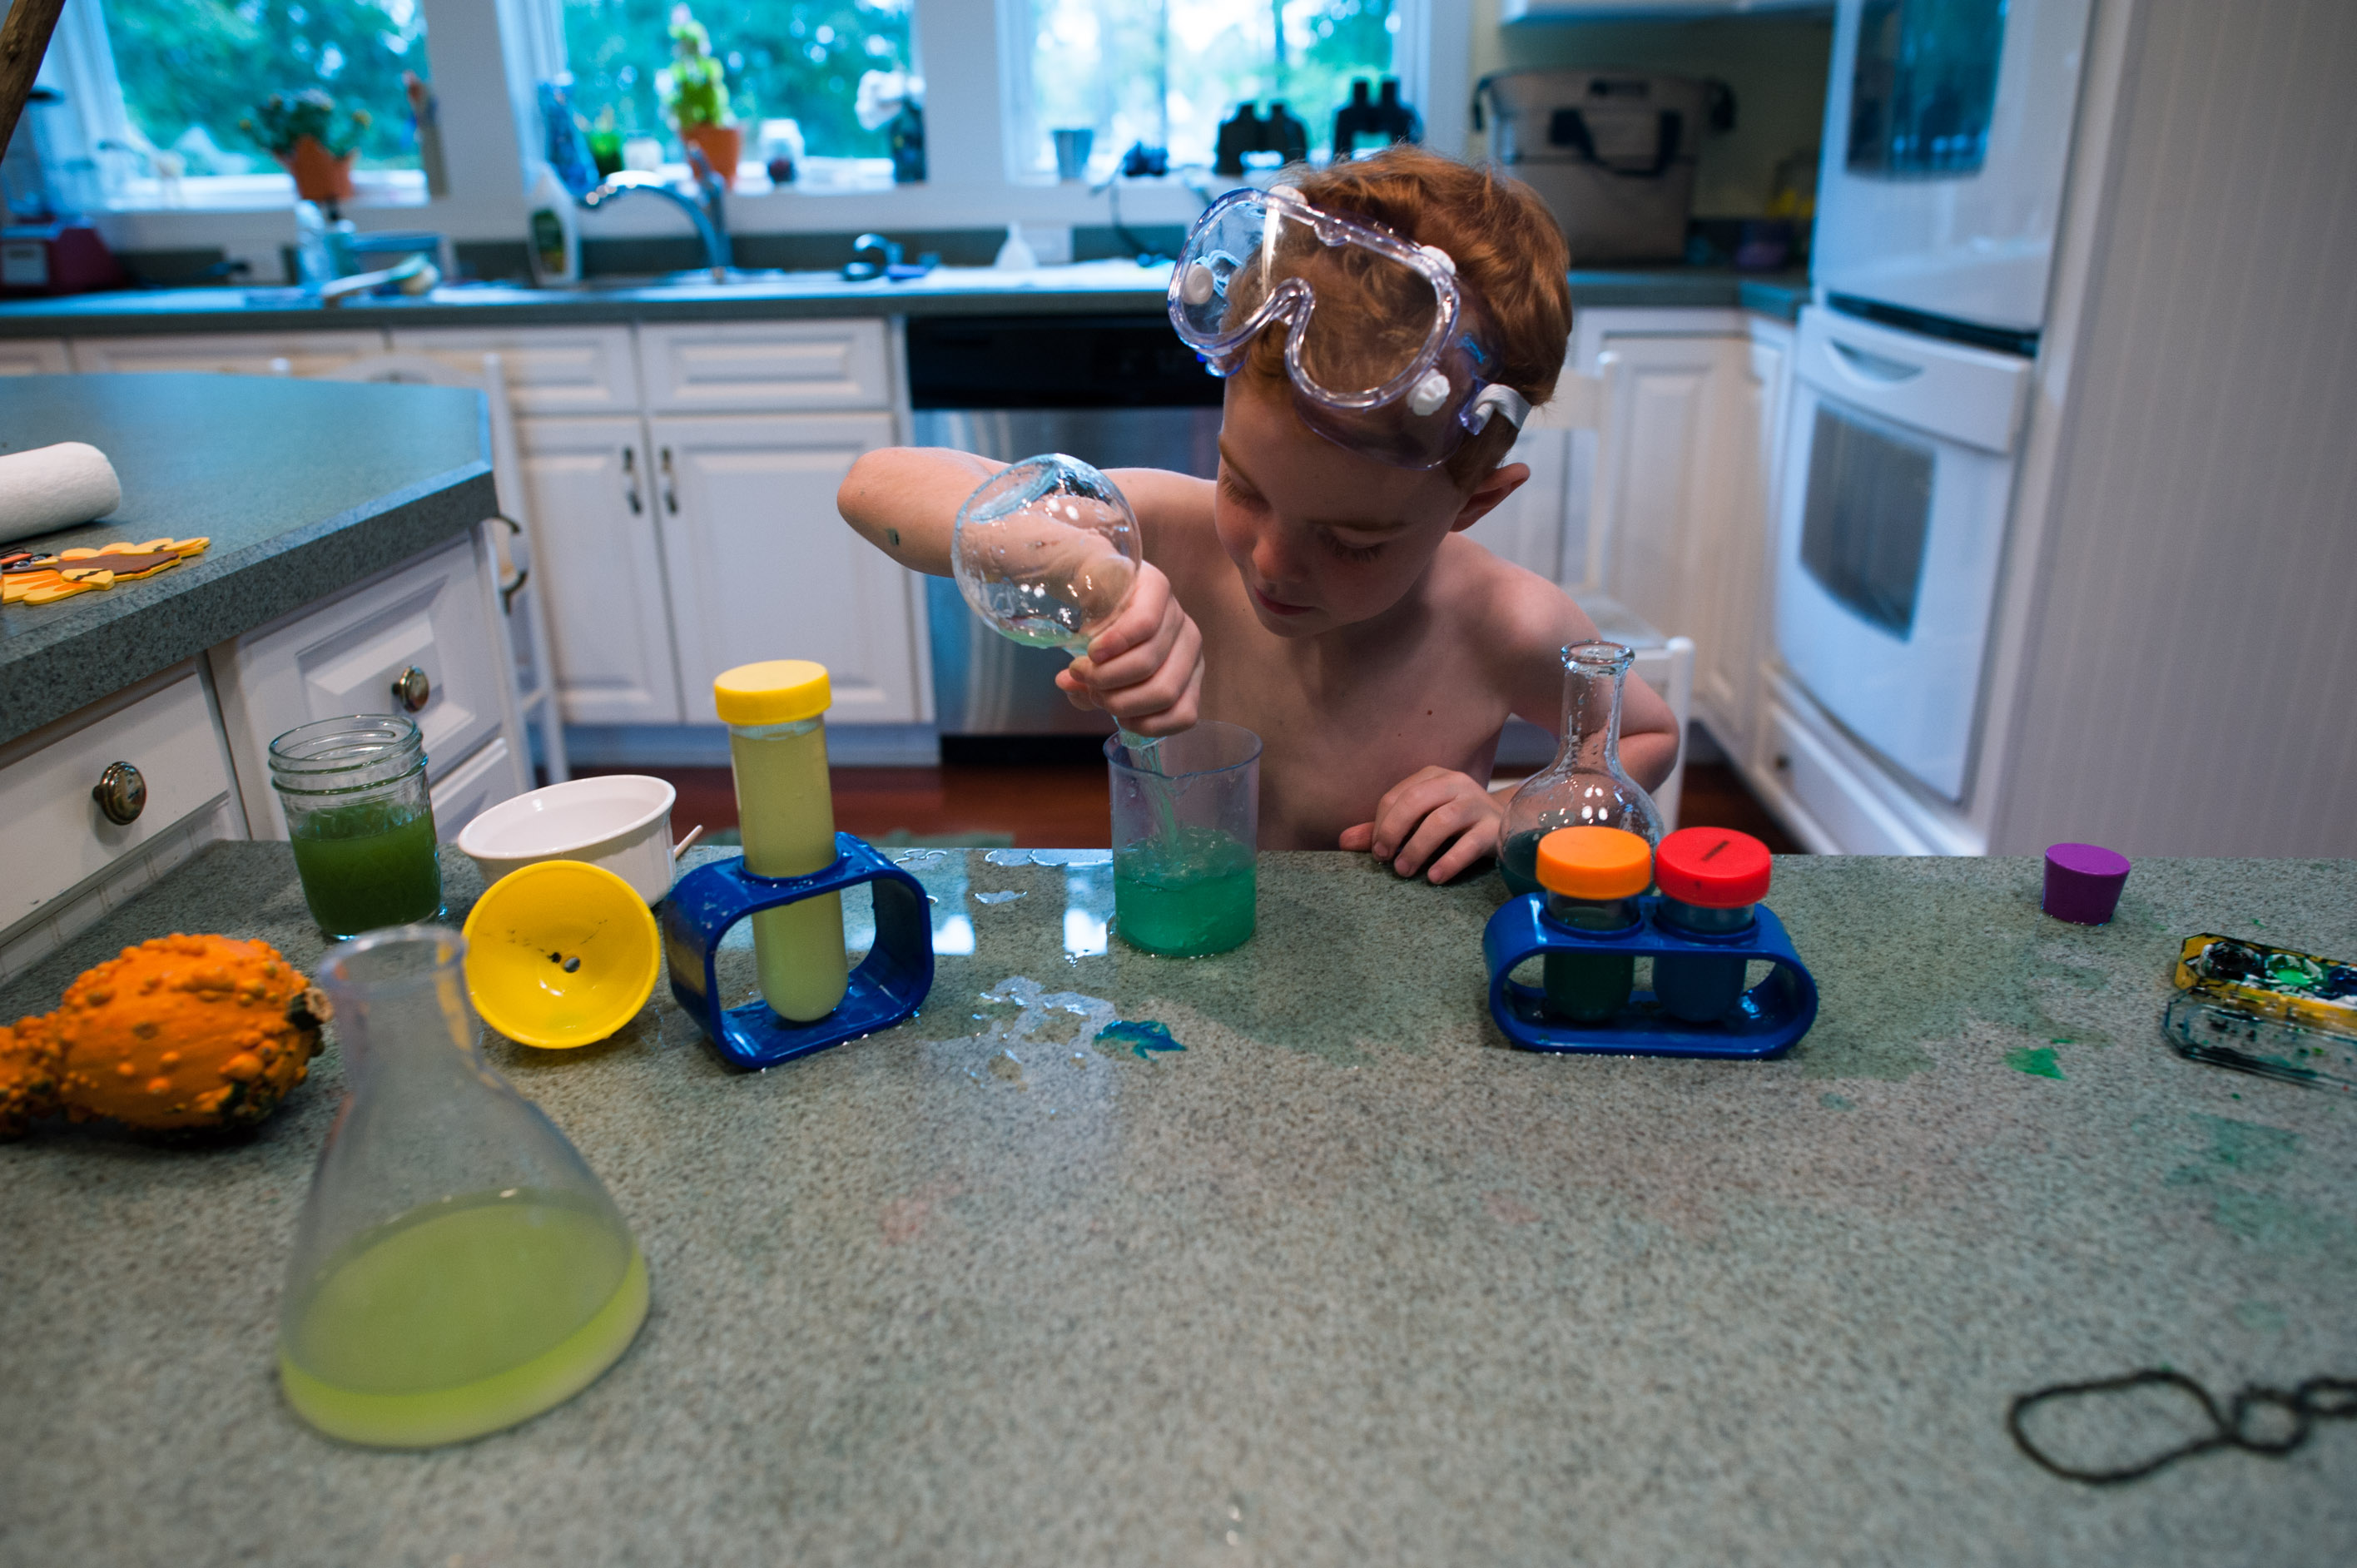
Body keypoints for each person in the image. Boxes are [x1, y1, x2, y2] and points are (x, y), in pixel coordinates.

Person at [837, 146, 1679, 883]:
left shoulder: (1503, 624)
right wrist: (1091, 571)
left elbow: (1643, 738)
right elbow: (874, 485)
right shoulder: (1175, 531)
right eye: (1244, 486)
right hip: (1185, 949)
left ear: (1474, 503)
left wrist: (1509, 812)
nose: (1273, 560)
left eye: (1352, 542)